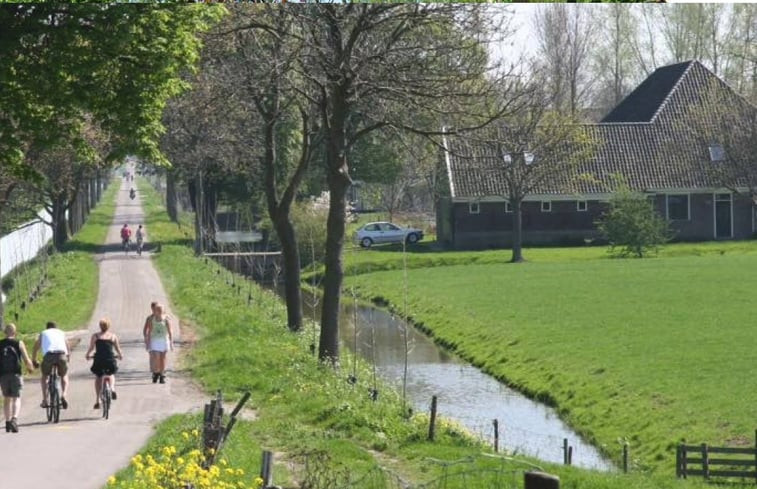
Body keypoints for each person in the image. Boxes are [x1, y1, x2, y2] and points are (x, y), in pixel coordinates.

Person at [0, 324, 35, 432]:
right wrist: (30, 368)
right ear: (15, 332)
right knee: (16, 397)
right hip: (16, 373)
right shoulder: (18, 343)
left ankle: (7, 422)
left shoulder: (0, 344)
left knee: (6, 398)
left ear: (5, 332)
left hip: (3, 374)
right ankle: (14, 419)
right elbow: (26, 359)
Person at [85, 318, 124, 409]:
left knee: (98, 377)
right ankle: (112, 388)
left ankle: (98, 399)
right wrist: (120, 355)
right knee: (111, 374)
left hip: (99, 359)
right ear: (108, 326)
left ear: (100, 326)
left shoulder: (95, 336)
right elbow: (118, 349)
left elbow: (91, 348)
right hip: (110, 359)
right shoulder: (113, 336)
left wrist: (87, 355)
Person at [32, 321, 70, 410]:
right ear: (56, 327)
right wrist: (68, 357)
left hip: (49, 356)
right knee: (64, 375)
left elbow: (36, 347)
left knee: (44, 376)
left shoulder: (43, 333)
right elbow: (67, 345)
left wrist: (34, 360)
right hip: (62, 355)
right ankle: (64, 394)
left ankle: (45, 400)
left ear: (47, 328)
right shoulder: (61, 332)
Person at [144, 303, 173, 384]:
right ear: (155, 311)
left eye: (161, 310)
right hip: (155, 340)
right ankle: (156, 372)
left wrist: (171, 342)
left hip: (164, 340)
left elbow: (170, 331)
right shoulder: (151, 319)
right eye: (158, 310)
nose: (159, 311)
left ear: (163, 310)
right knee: (156, 358)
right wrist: (147, 342)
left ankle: (162, 374)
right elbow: (149, 331)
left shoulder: (166, 319)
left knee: (163, 358)